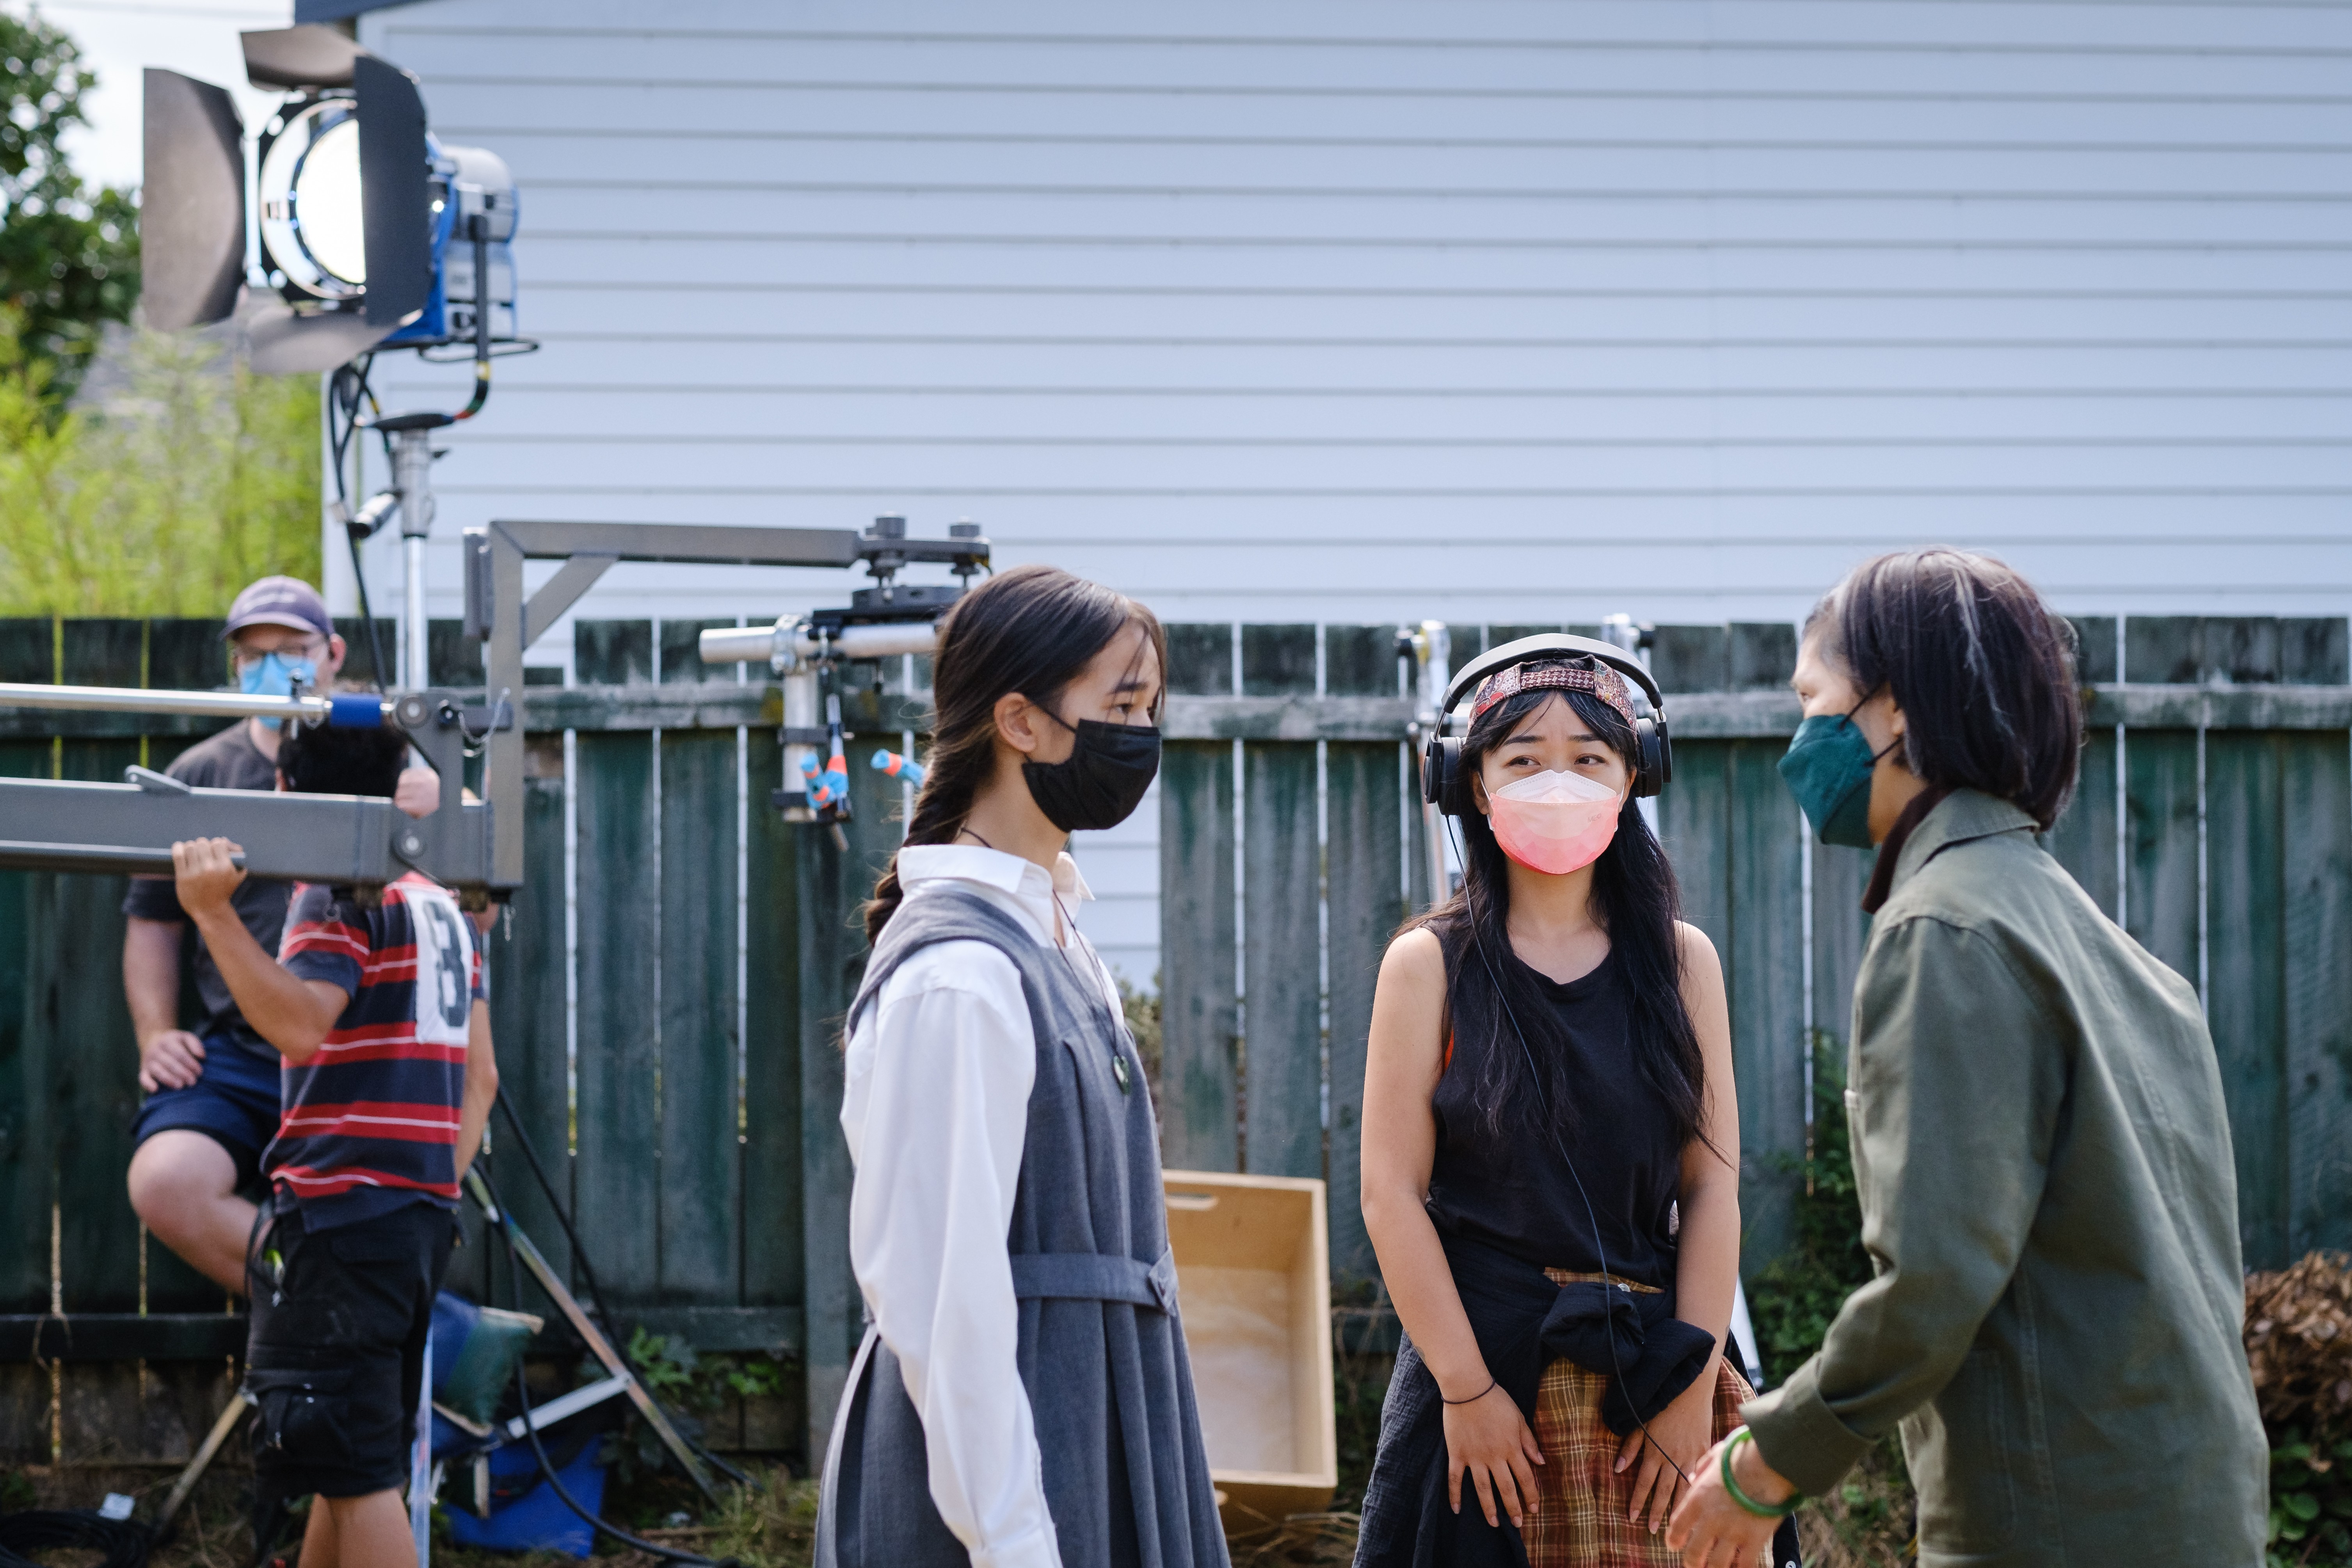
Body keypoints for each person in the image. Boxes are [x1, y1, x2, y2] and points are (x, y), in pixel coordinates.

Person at [1667, 548, 2267, 1566]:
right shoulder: (2117, 954)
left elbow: (1933, 1279)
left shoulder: (1943, 931)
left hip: (2056, 1525)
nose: (1797, 740)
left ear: (1892, 710)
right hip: (2193, 1508)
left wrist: (1763, 1464)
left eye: (1813, 700)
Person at [814, 563, 1227, 1568]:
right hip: (1014, 1467)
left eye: (1150, 707)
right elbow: (937, 1295)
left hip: (1097, 1412)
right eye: (1121, 705)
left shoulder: (1051, 930)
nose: (1141, 734)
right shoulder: (957, 976)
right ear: (1021, 721)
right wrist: (1012, 1541)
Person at [1354, 640, 1763, 1568]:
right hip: (1482, 1382)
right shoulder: (1426, 965)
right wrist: (1463, 1392)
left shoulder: (1682, 961)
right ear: (1472, 783)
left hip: (1650, 1380)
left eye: (1589, 757)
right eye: (1522, 759)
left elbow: (1710, 1192)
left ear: (1632, 779)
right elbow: (1387, 1192)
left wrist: (1691, 1389)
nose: (1558, 780)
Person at [170, 715, 498, 1568]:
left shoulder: (340, 889)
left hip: (343, 1218)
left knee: (358, 1477)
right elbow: (482, 1080)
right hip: (415, 1219)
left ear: (284, 789)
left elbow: (299, 1026)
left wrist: (212, 915)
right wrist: (424, 1194)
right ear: (396, 786)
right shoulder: (440, 900)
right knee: (345, 1459)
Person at [124, 576, 434, 1294]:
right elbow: (152, 921)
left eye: (291, 650)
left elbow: (473, 909)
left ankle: (375, 1315)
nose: (274, 671)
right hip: (244, 1051)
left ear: (332, 654)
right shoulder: (198, 774)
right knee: (168, 1180)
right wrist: (154, 1033)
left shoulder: (395, 762)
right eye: (253, 655)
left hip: (368, 1056)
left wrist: (445, 808)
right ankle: (349, 1305)